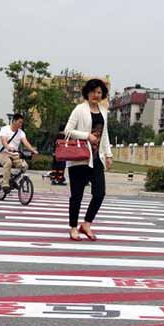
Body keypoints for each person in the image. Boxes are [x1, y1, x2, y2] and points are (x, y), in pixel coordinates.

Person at [63, 78, 112, 241]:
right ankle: (73, 227)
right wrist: (87, 136)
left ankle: (86, 223)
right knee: (76, 195)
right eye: (93, 91)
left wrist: (109, 154)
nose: (96, 95)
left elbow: (105, 135)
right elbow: (67, 131)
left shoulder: (104, 111)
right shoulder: (79, 109)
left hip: (96, 158)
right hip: (79, 158)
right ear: (87, 92)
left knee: (100, 193)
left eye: (99, 92)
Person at [0, 113, 38, 192]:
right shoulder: (4, 129)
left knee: (25, 166)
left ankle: (13, 180)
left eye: (22, 123)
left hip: (15, 155)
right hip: (3, 154)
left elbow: (26, 143)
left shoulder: (21, 133)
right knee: (8, 163)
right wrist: (8, 147)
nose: (21, 124)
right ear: (14, 121)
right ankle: (5, 184)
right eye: (20, 122)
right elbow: (4, 141)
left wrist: (32, 150)